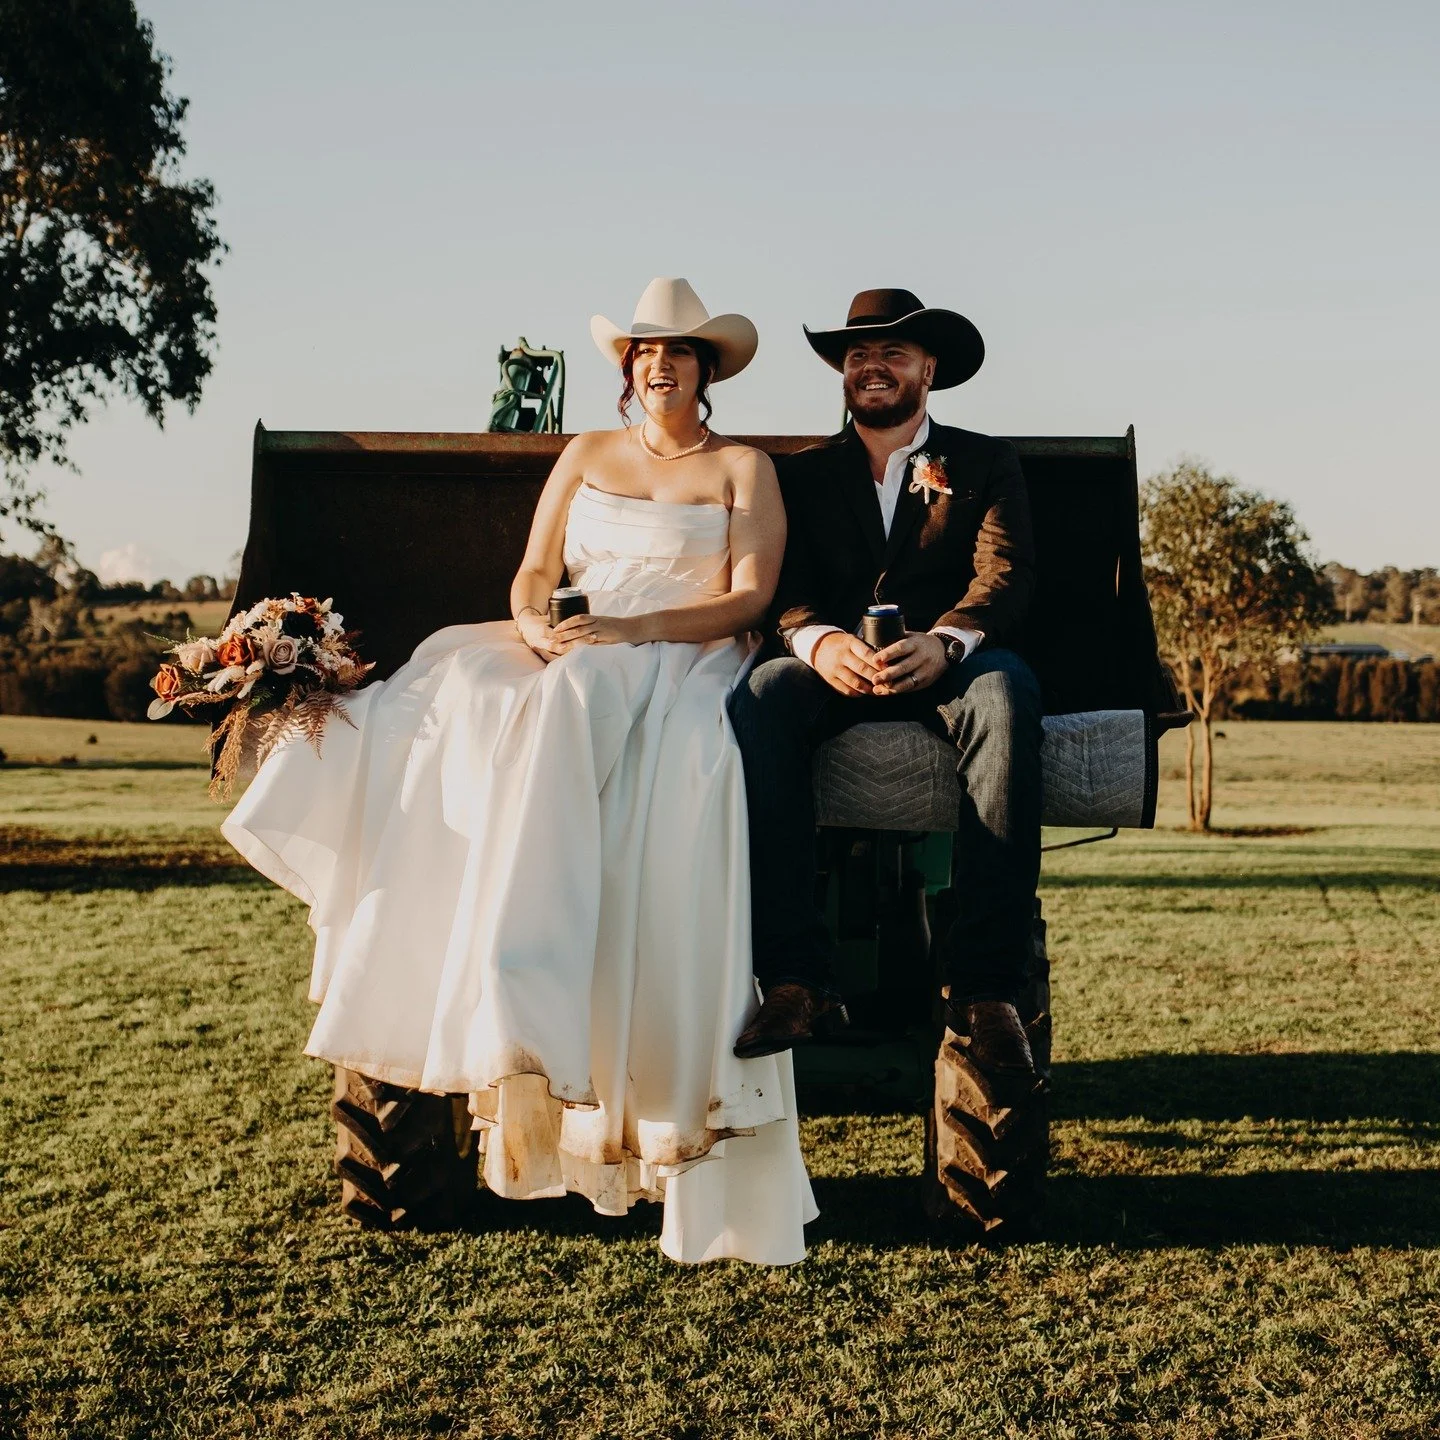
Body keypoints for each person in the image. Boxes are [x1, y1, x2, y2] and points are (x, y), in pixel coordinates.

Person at [222, 277, 816, 1265]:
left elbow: (749, 598)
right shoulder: (586, 453)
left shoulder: (743, 468)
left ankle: (564, 987)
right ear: (627, 368)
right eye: (641, 351)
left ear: (707, 367)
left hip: (680, 646)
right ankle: (475, 975)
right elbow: (534, 570)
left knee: (672, 751)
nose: (657, 363)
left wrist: (632, 630)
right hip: (575, 636)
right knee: (444, 695)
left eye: (676, 350)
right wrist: (541, 623)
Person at [728, 288, 1043, 1075]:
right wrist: (817, 641)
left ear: (927, 371)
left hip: (949, 663)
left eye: (892, 353)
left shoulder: (983, 461)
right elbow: (781, 584)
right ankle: (797, 977)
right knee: (761, 697)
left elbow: (1003, 576)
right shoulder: (799, 475)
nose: (871, 365)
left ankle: (985, 990)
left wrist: (947, 643)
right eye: (858, 354)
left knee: (1007, 696)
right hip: (837, 668)